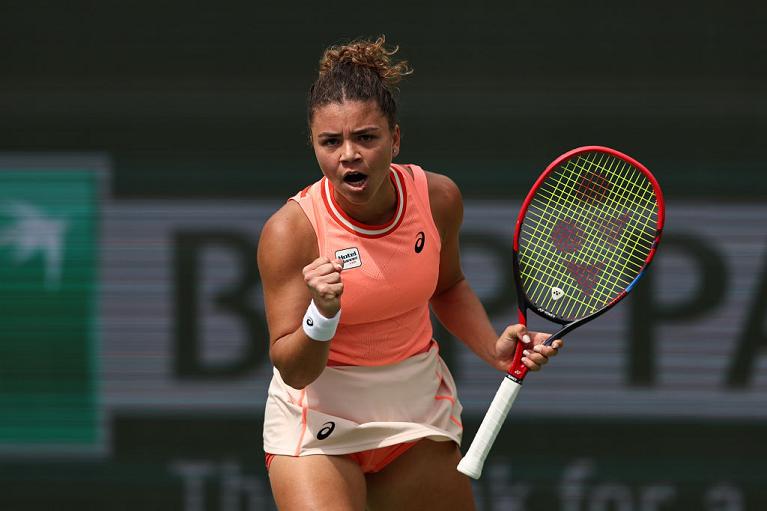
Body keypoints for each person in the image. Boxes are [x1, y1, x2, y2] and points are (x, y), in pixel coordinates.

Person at [257, 36, 563, 511]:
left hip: (415, 411)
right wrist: (323, 312)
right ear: (314, 146)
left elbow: (448, 285)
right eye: (331, 142)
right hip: (318, 417)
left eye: (366, 137)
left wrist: (493, 351)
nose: (349, 155)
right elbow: (294, 371)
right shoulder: (290, 232)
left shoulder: (437, 199)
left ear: (395, 138)